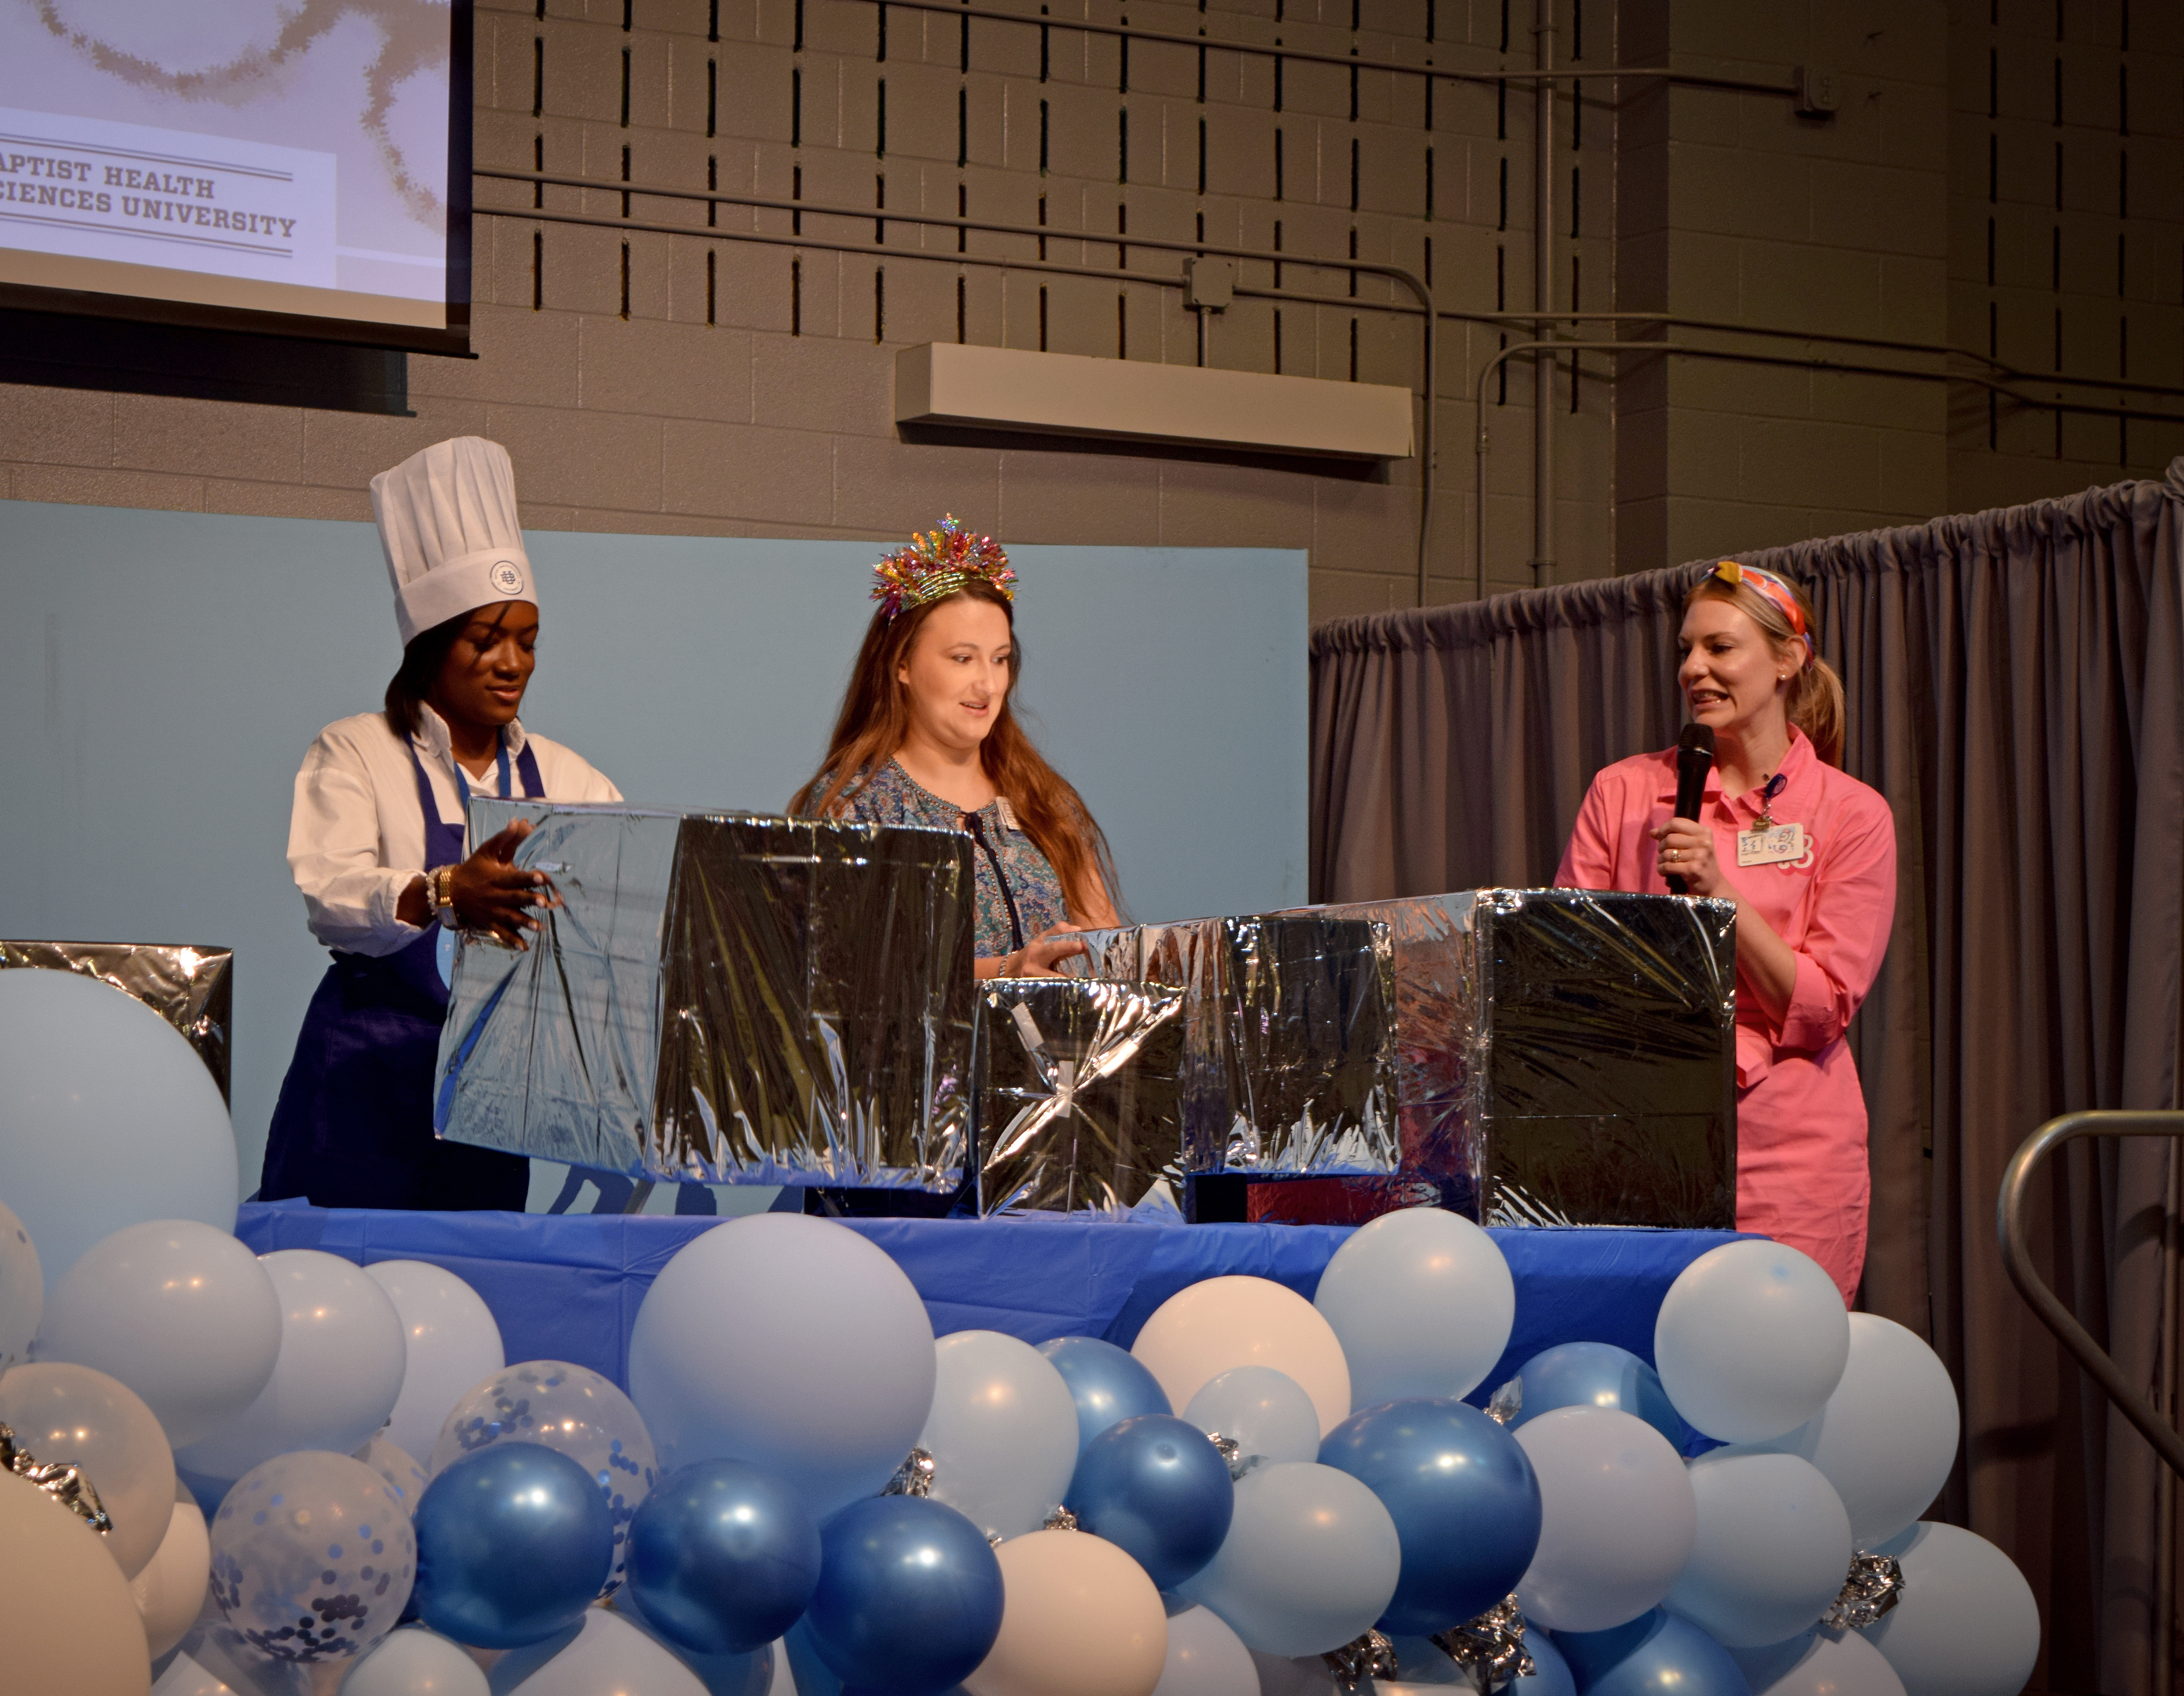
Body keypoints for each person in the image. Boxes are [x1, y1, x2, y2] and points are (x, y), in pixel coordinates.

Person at [259, 437, 621, 1211]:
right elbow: (331, 893)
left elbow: (622, 907)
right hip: (362, 1086)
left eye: (526, 642)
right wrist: (445, 891)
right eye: (486, 640)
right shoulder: (357, 750)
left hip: (491, 1103)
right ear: (430, 648)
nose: (512, 663)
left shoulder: (568, 778)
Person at [1555, 561, 1896, 1304]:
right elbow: (1565, 970)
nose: (1693, 669)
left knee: (1771, 1383)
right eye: (1686, 649)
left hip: (1789, 1159)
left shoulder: (1851, 814)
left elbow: (1822, 1006)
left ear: (1786, 660)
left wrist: (1720, 895)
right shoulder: (1623, 792)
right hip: (1640, 1144)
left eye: (1719, 648)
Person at [791, 517, 1119, 976]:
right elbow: (845, 973)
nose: (987, 683)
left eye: (1000, 660)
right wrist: (1008, 970)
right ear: (902, 663)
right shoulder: (852, 808)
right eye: (963, 659)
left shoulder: (1044, 800)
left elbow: (1109, 954)